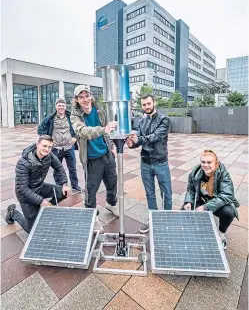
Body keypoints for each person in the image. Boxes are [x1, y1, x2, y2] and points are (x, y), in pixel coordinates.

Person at [70, 84, 119, 232]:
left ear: (91, 96)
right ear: (77, 100)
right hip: (91, 159)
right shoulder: (75, 116)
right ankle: (93, 216)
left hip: (106, 154)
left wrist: (111, 146)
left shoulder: (99, 111)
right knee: (91, 190)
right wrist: (104, 129)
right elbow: (83, 131)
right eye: (81, 97)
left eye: (87, 96)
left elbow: (106, 131)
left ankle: (111, 203)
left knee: (112, 182)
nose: (85, 99)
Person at [5, 135, 71, 233]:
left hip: (40, 187)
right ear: (37, 145)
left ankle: (45, 210)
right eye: (44, 146)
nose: (47, 149)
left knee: (64, 192)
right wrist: (41, 201)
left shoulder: (49, 155)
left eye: (49, 147)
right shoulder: (24, 163)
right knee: (32, 230)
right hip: (26, 196)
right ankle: (13, 213)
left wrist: (64, 184)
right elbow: (22, 189)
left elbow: (59, 167)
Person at [126, 94, 172, 234]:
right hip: (145, 163)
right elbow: (138, 139)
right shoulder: (141, 121)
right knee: (150, 194)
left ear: (154, 103)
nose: (146, 107)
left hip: (160, 162)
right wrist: (131, 143)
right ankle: (152, 219)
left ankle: (166, 219)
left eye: (148, 104)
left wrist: (139, 139)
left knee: (167, 194)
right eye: (144, 104)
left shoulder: (164, 119)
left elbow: (156, 136)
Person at [182, 149, 240, 250]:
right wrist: (188, 202)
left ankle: (221, 233)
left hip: (217, 203)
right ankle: (190, 232)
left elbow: (227, 195)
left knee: (229, 212)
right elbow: (190, 189)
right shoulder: (195, 172)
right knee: (184, 210)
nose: (206, 165)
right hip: (202, 200)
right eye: (203, 162)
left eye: (209, 162)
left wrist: (205, 207)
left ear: (215, 162)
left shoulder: (223, 174)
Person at [37, 98, 82, 192]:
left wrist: (75, 137)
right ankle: (59, 186)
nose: (61, 107)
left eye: (63, 105)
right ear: (56, 106)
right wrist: (48, 141)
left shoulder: (71, 117)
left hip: (69, 147)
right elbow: (40, 130)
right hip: (56, 148)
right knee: (57, 169)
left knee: (72, 168)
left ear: (65, 107)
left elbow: (79, 127)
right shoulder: (50, 118)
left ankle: (75, 185)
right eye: (59, 105)